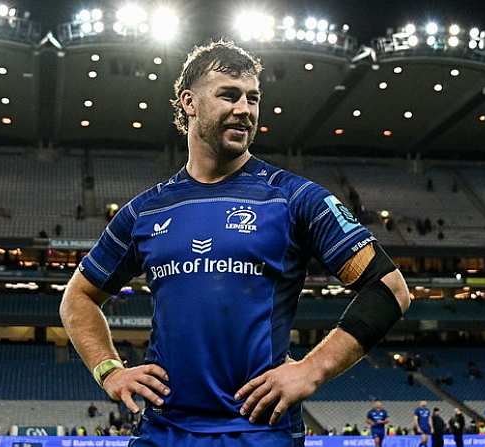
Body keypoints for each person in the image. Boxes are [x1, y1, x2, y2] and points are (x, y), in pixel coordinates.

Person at [59, 40, 410, 447]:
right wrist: (110, 370)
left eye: (253, 98)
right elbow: (78, 297)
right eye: (229, 95)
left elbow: (389, 289)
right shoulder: (146, 211)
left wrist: (312, 370)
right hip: (163, 432)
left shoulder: (295, 199)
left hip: (261, 432)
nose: (245, 110)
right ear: (189, 102)